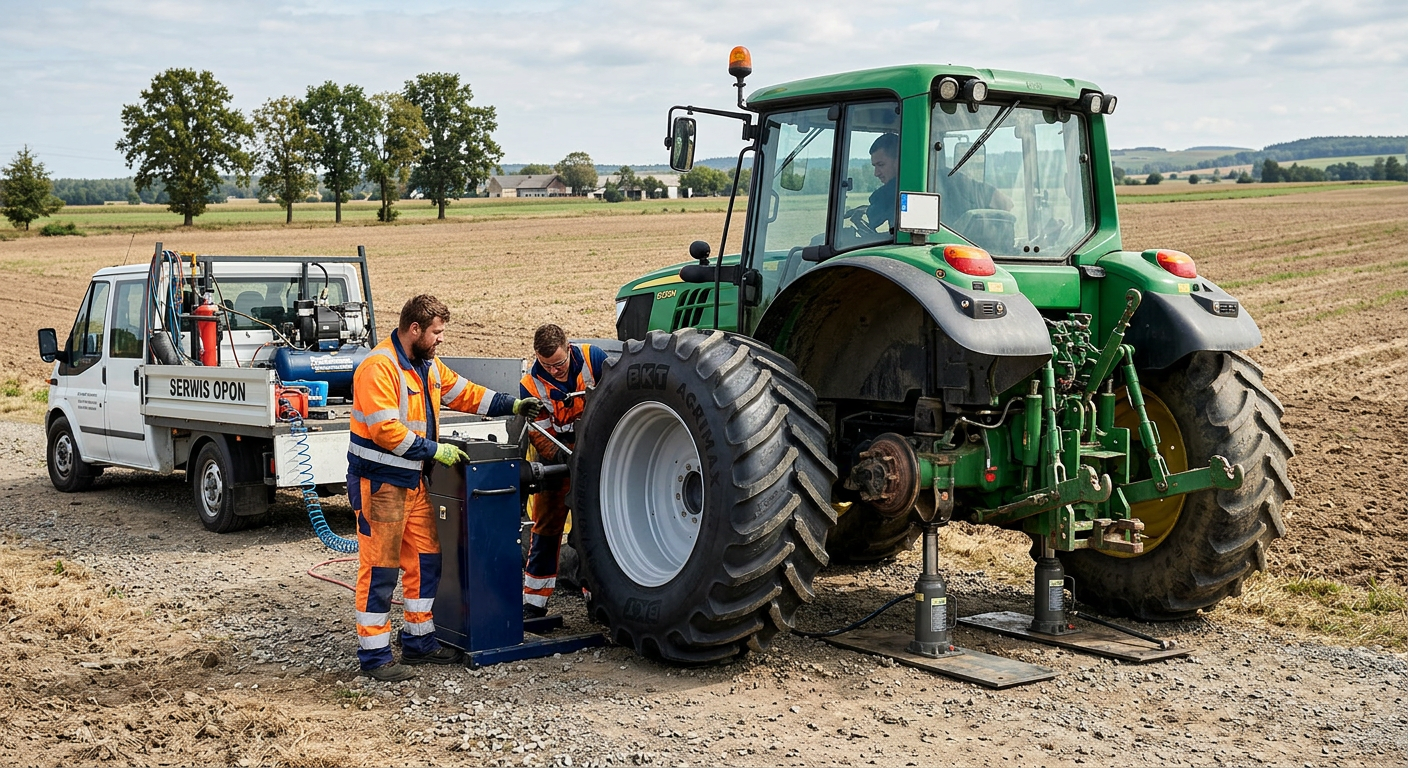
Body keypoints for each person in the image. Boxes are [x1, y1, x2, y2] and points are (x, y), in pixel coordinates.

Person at [348, 294, 543, 681]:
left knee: (426, 561)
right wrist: (436, 451)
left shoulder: (428, 366)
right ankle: (374, 657)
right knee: (380, 569)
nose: (440, 339)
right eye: (436, 332)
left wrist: (512, 405)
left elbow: (465, 393)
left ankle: (419, 641)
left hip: (413, 482)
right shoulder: (379, 367)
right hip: (381, 485)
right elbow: (386, 432)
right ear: (414, 329)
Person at [519, 324, 607, 619]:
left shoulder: (594, 359)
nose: (554, 371)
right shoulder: (531, 385)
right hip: (557, 459)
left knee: (594, 527)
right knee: (546, 527)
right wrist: (562, 457)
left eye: (559, 364)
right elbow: (539, 433)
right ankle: (534, 602)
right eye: (547, 366)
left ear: (569, 349)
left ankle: (596, 599)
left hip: (595, 457)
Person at [865, 133, 900, 233]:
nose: (876, 173)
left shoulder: (892, 193)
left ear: (899, 161)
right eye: (874, 166)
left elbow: (874, 217)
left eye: (881, 165)